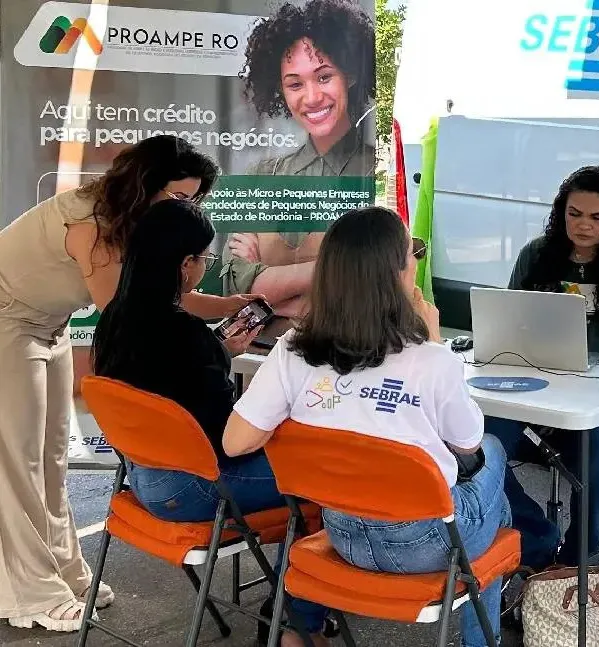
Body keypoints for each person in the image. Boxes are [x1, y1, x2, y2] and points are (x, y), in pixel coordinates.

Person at [0, 135, 260, 632]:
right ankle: (31, 594)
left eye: (193, 200)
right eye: (178, 197)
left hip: (47, 324)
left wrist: (228, 306)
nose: (184, 208)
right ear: (146, 185)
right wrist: (209, 346)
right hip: (7, 320)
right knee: (16, 461)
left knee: (52, 458)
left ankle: (65, 572)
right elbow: (135, 309)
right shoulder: (92, 225)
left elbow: (154, 291)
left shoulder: (132, 221)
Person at [222, 206, 511, 647]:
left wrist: (297, 427)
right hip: (426, 544)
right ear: (397, 273)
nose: (417, 261)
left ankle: (299, 629)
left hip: (342, 535)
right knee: (495, 461)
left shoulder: (293, 349)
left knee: (486, 499)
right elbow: (468, 442)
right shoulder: (431, 360)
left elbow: (235, 441)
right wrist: (434, 343)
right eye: (413, 252)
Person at [91, 199, 330, 647]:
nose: (205, 266)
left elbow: (173, 388)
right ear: (185, 265)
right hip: (196, 489)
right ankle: (292, 621)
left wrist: (219, 352)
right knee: (322, 481)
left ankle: (290, 609)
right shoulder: (186, 335)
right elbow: (230, 442)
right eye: (204, 258)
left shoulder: (115, 320)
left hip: (141, 481)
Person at [485, 165, 599, 570]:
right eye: (574, 214)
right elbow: (508, 326)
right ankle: (536, 538)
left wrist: (591, 382)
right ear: (560, 213)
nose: (584, 225)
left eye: (597, 217)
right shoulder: (536, 255)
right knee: (479, 449)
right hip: (532, 382)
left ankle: (576, 561)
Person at [222, 0, 377, 322]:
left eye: (324, 77)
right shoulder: (260, 177)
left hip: (350, 351)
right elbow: (234, 288)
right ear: (280, 90)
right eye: (295, 84)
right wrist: (339, 268)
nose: (312, 97)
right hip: (259, 352)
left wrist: (272, 293)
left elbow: (374, 289)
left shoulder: (376, 172)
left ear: (349, 75)